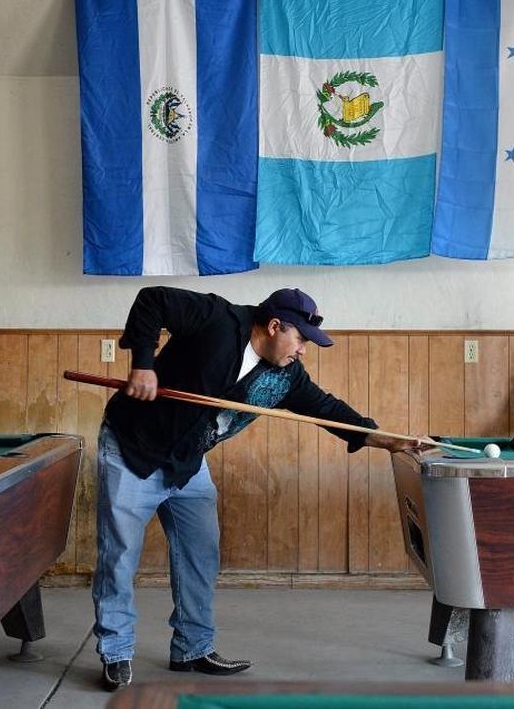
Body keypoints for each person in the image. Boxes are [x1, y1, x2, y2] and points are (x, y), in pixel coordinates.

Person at [93, 286, 432, 691]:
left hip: (186, 462)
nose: (303, 350)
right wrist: (143, 365)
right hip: (133, 449)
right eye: (301, 339)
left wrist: (387, 439)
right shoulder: (216, 318)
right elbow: (152, 299)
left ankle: (192, 648)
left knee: (201, 554)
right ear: (274, 326)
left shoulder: (286, 375)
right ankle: (116, 652)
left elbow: (328, 410)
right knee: (120, 556)